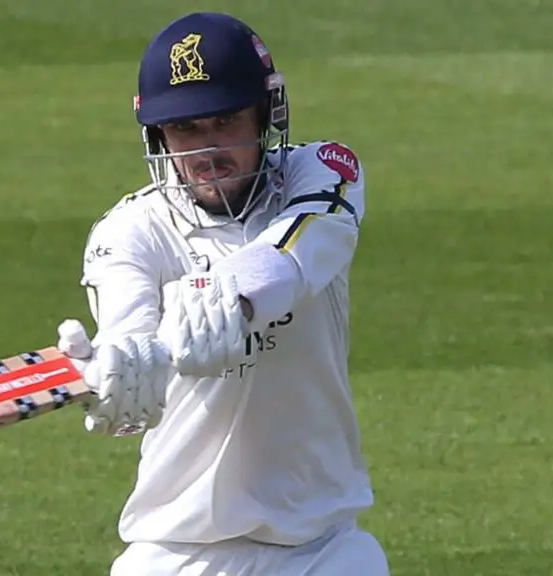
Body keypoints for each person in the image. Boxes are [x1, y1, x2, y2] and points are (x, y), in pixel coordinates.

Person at [55, 11, 390, 576]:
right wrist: (122, 372)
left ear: (266, 114)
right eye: (185, 130)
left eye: (225, 122)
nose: (206, 148)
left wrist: (220, 303)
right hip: (175, 553)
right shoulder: (129, 232)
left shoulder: (325, 172)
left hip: (324, 551)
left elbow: (292, 258)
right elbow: (128, 325)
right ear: (157, 135)